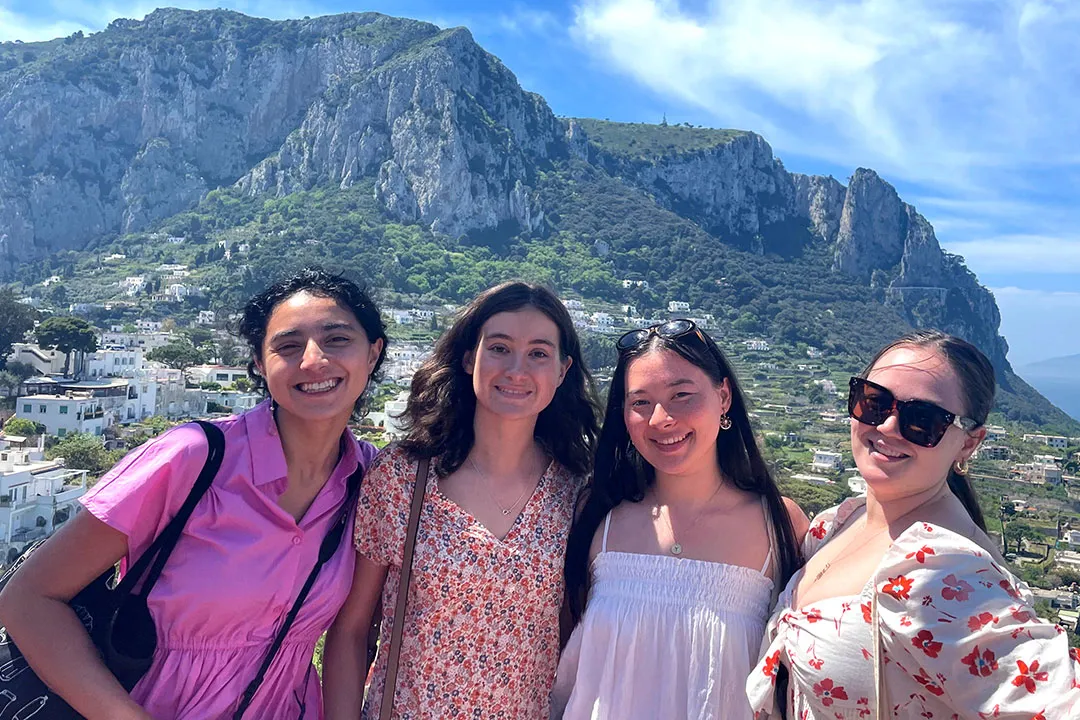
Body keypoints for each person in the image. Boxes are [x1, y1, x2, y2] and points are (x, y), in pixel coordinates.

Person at [0, 267, 388, 720]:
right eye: (287, 346)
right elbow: (29, 598)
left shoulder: (370, 481)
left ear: (374, 353)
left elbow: (351, 633)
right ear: (261, 365)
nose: (313, 359)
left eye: (337, 338)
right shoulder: (193, 459)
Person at [748, 330, 1080, 719]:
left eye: (923, 419)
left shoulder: (942, 570)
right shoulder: (837, 525)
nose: (888, 426)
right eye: (874, 403)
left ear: (969, 443)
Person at [323, 281, 601, 720]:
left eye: (538, 354)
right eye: (500, 348)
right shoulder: (403, 478)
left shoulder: (577, 493)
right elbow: (352, 629)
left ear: (562, 371)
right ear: (470, 357)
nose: (516, 369)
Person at [553, 319, 809, 720]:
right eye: (640, 402)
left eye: (682, 395)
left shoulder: (781, 525)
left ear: (723, 397)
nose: (661, 419)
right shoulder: (596, 514)